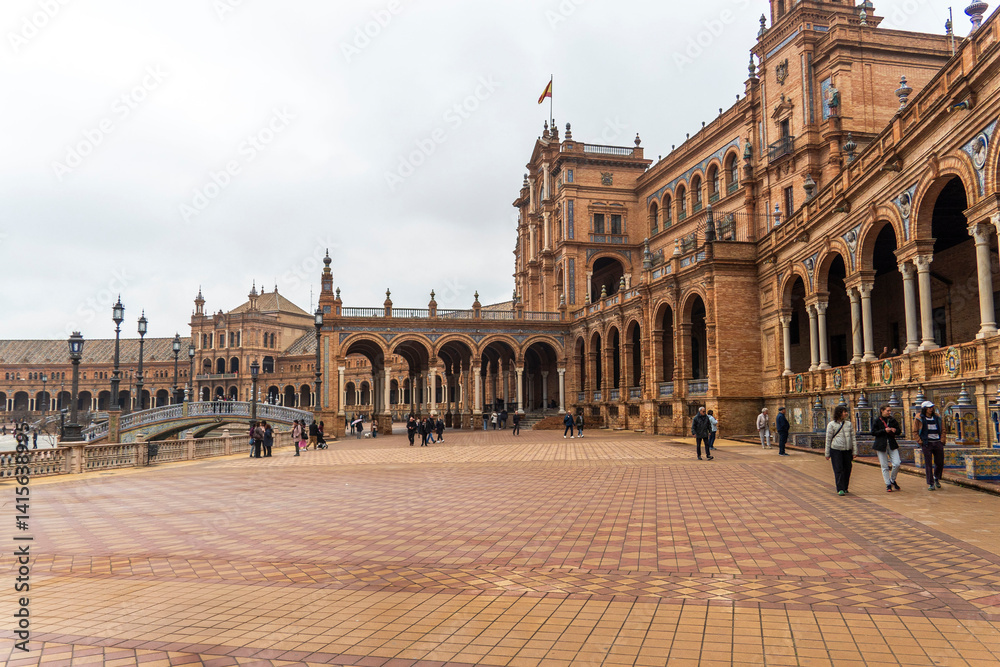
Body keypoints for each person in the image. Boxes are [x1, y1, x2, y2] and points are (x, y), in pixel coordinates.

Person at [825, 405, 857, 496]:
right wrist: (827, 453)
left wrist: (854, 451)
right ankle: (840, 488)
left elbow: (853, 438)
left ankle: (845, 487)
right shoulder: (831, 425)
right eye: (844, 412)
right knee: (838, 469)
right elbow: (828, 439)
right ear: (839, 413)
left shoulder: (849, 424)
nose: (846, 413)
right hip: (836, 450)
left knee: (847, 469)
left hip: (847, 450)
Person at [914, 401, 944, 491]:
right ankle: (930, 483)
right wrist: (920, 442)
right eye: (929, 407)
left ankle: (936, 478)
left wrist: (942, 440)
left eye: (931, 407)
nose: (931, 409)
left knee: (939, 462)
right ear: (924, 409)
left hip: (937, 442)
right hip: (927, 443)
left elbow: (943, 429)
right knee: (928, 464)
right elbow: (915, 431)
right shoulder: (919, 418)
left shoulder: (937, 417)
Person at [872, 404, 901, 492]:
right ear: (882, 410)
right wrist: (884, 431)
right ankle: (888, 484)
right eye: (887, 410)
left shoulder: (892, 420)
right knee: (884, 465)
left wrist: (895, 430)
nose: (889, 412)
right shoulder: (877, 421)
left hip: (892, 443)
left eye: (890, 411)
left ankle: (892, 480)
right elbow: (873, 432)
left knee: (897, 463)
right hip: (881, 444)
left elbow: (899, 431)